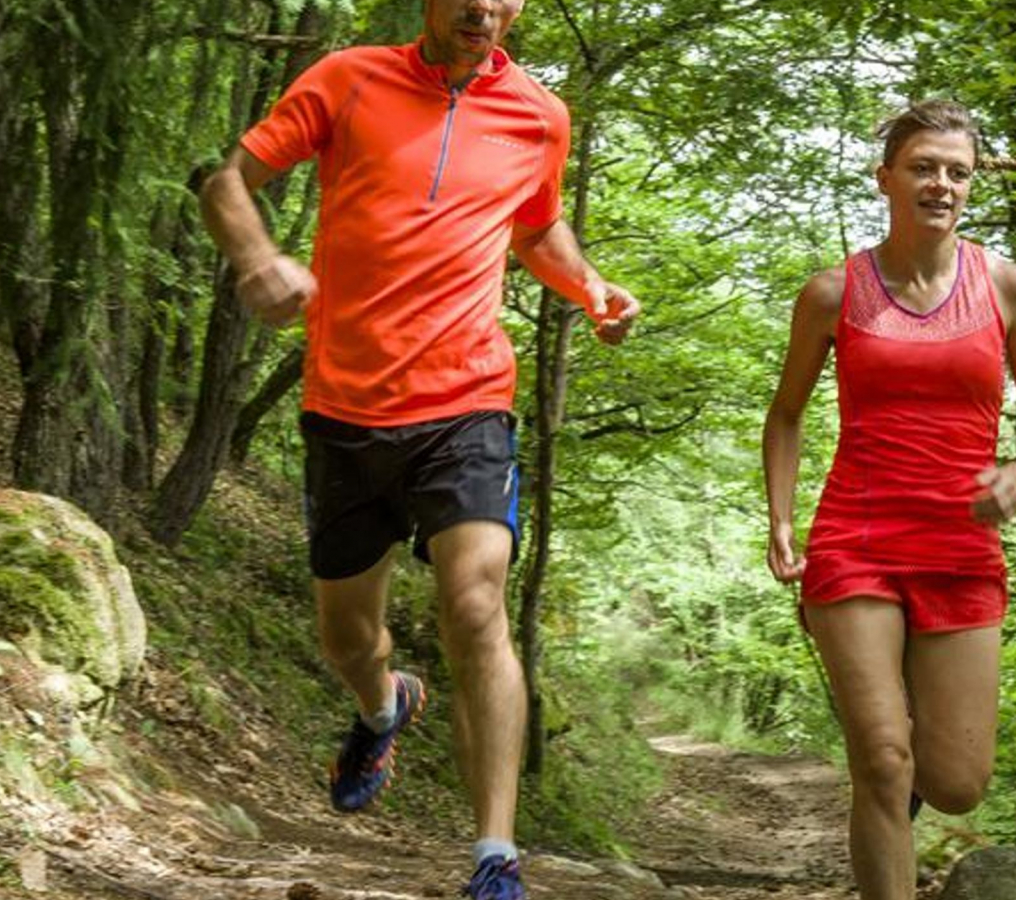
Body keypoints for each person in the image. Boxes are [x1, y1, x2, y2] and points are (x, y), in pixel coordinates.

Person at [199, 0, 639, 896]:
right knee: (348, 637)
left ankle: (495, 854)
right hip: (346, 407)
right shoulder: (347, 79)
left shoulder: (540, 115)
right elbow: (227, 183)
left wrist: (591, 288)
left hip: (466, 404)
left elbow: (535, 227)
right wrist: (256, 258)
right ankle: (382, 703)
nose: (485, 5)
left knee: (475, 604)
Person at [761, 99, 1016, 900]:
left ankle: (894, 791)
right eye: (924, 167)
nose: (942, 184)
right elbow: (786, 412)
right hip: (855, 541)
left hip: (962, 548)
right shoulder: (833, 292)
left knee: (958, 782)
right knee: (884, 757)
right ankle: (883, 799)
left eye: (957, 172)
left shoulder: (1007, 286)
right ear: (886, 177)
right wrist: (782, 518)